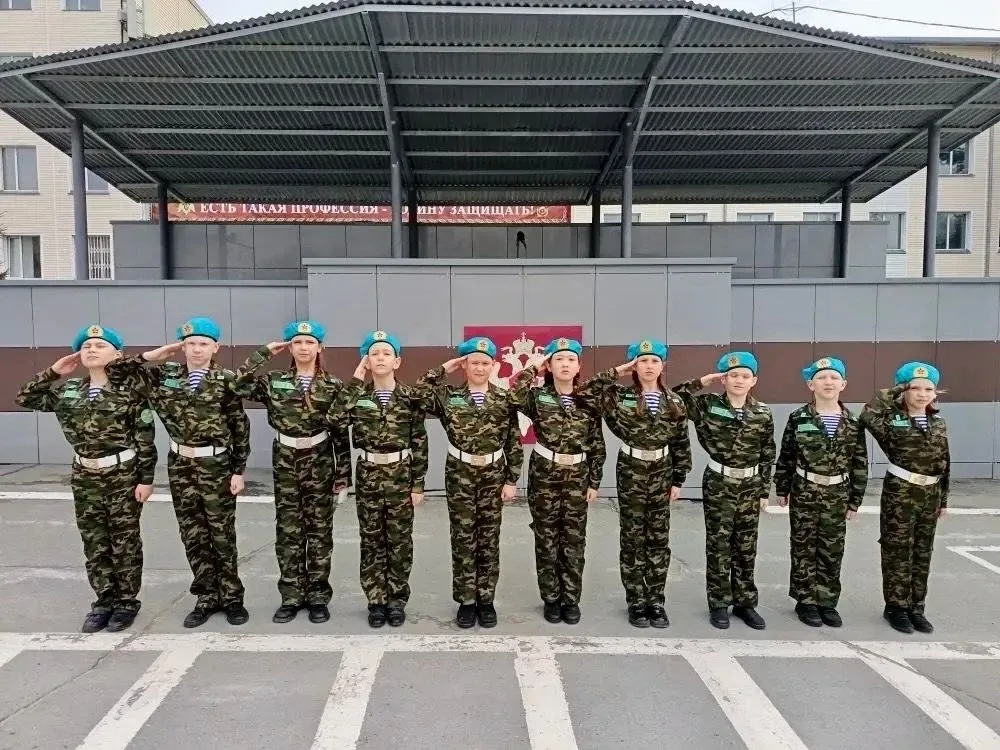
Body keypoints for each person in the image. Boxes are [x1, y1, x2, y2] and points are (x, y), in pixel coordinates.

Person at [109, 316, 251, 629]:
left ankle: (232, 598)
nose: (197, 349)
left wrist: (238, 470)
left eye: (203, 343)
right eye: (190, 343)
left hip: (216, 464)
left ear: (215, 348)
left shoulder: (226, 380)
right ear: (182, 347)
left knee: (222, 535)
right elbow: (115, 372)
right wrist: (151, 356)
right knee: (193, 534)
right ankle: (206, 597)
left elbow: (239, 426)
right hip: (181, 464)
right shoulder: (164, 376)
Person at [15, 324, 156, 633]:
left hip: (122, 474)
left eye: (100, 346)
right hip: (84, 475)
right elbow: (25, 397)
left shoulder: (130, 391)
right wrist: (53, 372)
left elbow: (145, 438)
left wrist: (146, 480)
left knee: (124, 541)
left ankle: (126, 603)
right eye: (86, 346)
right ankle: (104, 601)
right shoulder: (70, 391)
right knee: (94, 540)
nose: (91, 350)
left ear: (117, 355)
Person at [233, 320, 352, 625]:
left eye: (309, 342)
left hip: (320, 458)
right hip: (286, 459)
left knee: (319, 531)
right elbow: (238, 384)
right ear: (289, 347)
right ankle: (291, 596)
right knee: (288, 531)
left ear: (319, 347)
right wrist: (263, 353)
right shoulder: (274, 380)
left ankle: (317, 597)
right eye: (297, 342)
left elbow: (340, 433)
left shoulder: (333, 385)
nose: (303, 348)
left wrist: (343, 475)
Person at [575, 338, 691, 629]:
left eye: (654, 360)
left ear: (663, 365)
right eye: (642, 361)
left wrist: (678, 478)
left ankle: (656, 601)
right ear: (634, 365)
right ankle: (636, 601)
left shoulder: (675, 401)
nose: (649, 366)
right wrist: (617, 371)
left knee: (659, 539)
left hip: (662, 470)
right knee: (632, 537)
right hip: (631, 469)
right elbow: (583, 392)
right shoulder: (618, 396)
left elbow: (681, 442)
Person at [413, 336, 523, 628]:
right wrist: (443, 369)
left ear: (494, 365)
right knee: (463, 537)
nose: (479, 368)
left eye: (485, 363)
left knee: (489, 538)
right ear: (464, 365)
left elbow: (513, 440)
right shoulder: (449, 396)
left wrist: (512, 479)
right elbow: (418, 394)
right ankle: (466, 600)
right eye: (473, 362)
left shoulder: (504, 399)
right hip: (460, 472)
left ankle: (486, 600)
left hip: (493, 472)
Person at [328, 330, 428, 628]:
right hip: (369, 474)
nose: (380, 358)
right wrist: (356, 380)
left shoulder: (410, 397)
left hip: (401, 474)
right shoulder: (358, 396)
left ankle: (396, 600)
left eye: (386, 353)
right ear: (366, 362)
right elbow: (334, 419)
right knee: (371, 540)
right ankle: (376, 600)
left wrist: (418, 483)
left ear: (397, 361)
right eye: (374, 354)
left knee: (400, 541)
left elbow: (419, 440)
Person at [673, 351, 775, 631]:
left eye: (745, 376)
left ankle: (745, 603)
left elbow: (768, 452)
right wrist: (702, 381)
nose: (739, 380)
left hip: (750, 484)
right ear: (723, 379)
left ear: (754, 380)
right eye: (732, 375)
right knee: (719, 545)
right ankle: (718, 602)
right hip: (719, 482)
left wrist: (764, 490)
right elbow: (675, 398)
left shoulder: (763, 412)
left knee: (746, 546)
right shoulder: (707, 405)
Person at [508, 337, 606, 625]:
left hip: (578, 475)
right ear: (549, 366)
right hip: (545, 474)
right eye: (558, 359)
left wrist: (595, 481)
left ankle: (571, 598)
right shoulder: (538, 397)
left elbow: (596, 442)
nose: (565, 364)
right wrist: (534, 368)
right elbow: (514, 396)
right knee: (546, 538)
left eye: (571, 359)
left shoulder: (587, 401)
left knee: (574, 539)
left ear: (579, 366)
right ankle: (551, 598)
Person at [773, 356, 868, 628]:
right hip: (805, 489)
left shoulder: (853, 422)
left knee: (832, 548)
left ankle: (827, 601)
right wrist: (782, 487)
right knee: (803, 546)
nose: (828, 382)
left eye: (834, 377)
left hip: (837, 492)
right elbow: (787, 455)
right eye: (822, 377)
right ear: (810, 384)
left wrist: (855, 499)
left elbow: (859, 461)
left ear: (843, 384)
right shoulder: (798, 417)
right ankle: (805, 601)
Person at [860, 361, 950, 635]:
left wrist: (943, 500)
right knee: (897, 550)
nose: (922, 394)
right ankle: (896, 608)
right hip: (900, 492)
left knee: (923, 552)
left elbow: (944, 462)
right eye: (915, 388)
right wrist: (897, 388)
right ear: (905, 391)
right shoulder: (891, 421)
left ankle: (916, 608)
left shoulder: (938, 423)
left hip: (930, 494)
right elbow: (867, 414)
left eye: (929, 389)